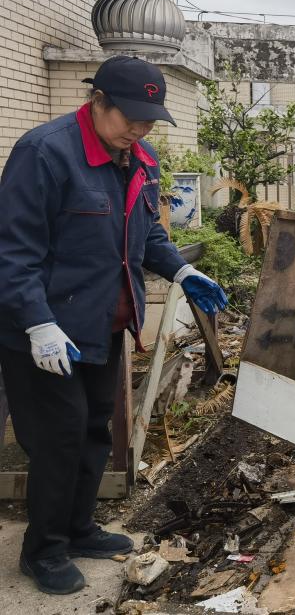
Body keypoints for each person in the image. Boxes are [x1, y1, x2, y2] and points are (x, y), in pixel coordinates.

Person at [0, 56, 228, 595]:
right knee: (59, 437)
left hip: (102, 326)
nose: (139, 129)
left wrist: (182, 270)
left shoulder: (140, 159)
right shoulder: (45, 153)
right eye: (130, 117)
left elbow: (147, 236)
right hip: (45, 334)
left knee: (94, 430)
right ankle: (43, 549)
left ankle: (78, 528)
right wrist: (38, 323)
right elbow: (13, 253)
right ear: (97, 100)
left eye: (149, 119)